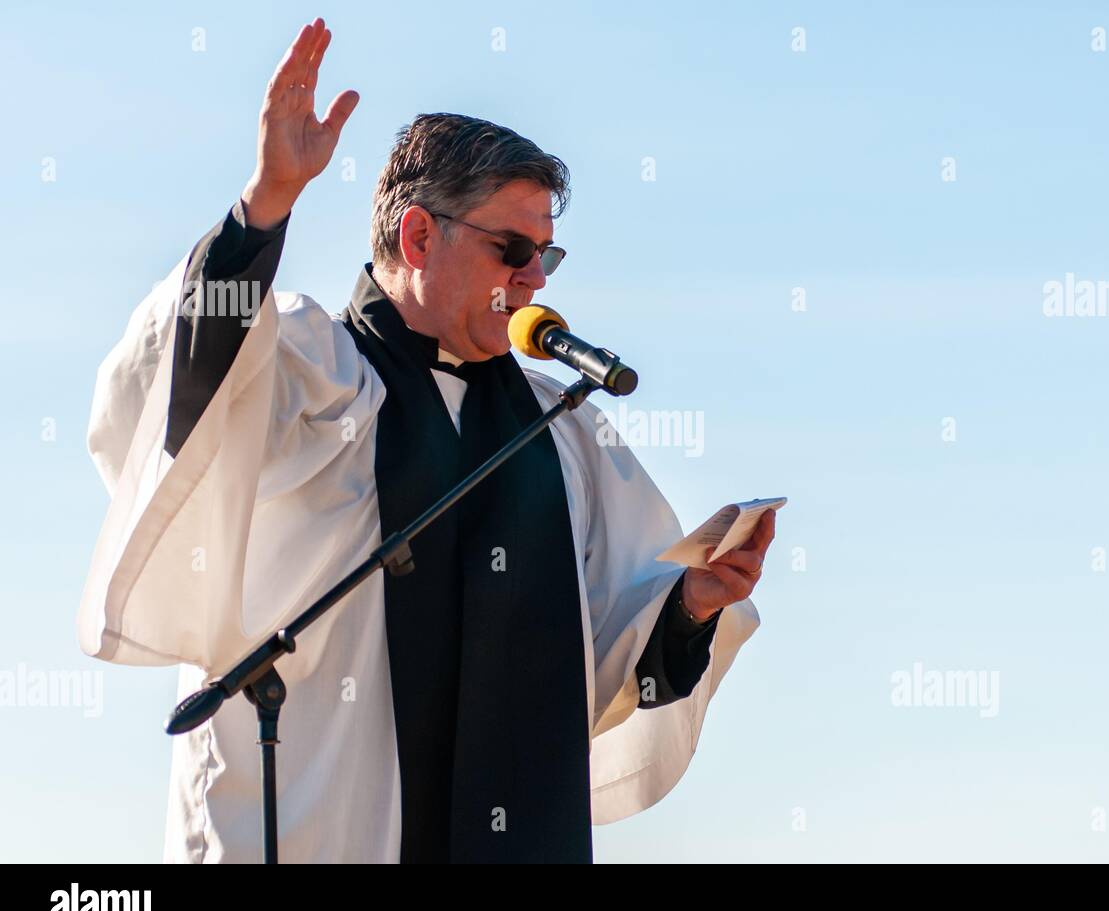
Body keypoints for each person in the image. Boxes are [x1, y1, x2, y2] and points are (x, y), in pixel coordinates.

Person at [77, 18, 776, 863]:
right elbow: (187, 389)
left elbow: (601, 663)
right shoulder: (309, 375)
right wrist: (264, 206)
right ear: (418, 237)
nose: (534, 278)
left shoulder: (563, 429)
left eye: (546, 255)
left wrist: (693, 602)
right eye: (511, 248)